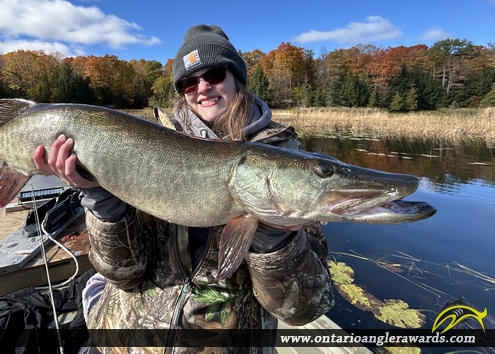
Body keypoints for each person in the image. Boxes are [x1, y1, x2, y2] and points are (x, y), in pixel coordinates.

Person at [33, 24, 334, 353]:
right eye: (189, 81)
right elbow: (124, 275)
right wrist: (101, 200)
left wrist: (276, 241)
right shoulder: (146, 145)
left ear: (237, 77)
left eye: (215, 74)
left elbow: (303, 308)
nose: (202, 88)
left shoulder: (290, 158)